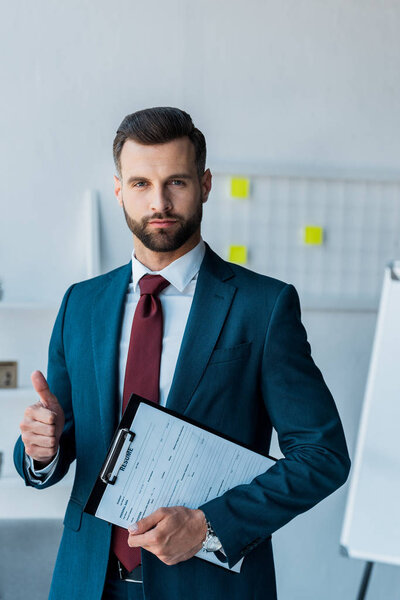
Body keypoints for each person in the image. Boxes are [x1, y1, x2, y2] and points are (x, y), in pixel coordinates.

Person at [14, 107, 350, 600]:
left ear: (206, 183)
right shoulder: (79, 305)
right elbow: (56, 450)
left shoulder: (264, 306)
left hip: (209, 585)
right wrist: (39, 451)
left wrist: (209, 525)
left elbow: (323, 455)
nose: (159, 202)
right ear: (118, 190)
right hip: (86, 583)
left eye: (176, 182)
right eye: (141, 184)